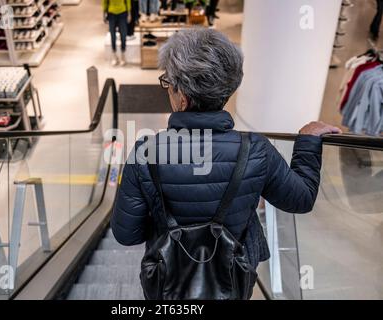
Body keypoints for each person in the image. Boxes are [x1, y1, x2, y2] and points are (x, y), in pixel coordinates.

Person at [111, 28, 342, 299]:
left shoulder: (146, 152)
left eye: (168, 84)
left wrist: (164, 211)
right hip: (231, 279)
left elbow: (127, 234)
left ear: (182, 97)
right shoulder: (255, 149)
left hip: (168, 283)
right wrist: (307, 142)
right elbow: (300, 200)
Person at [103, 0, 132, 66]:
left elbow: (128, 1)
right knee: (113, 35)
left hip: (122, 12)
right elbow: (105, 1)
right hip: (111, 13)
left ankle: (123, 55)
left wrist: (129, 13)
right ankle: (114, 55)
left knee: (123, 35)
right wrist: (104, 12)